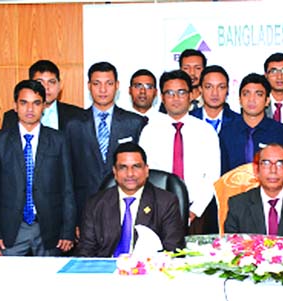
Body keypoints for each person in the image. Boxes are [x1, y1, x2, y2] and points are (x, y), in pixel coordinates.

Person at [0, 80, 75, 257]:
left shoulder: (58, 140)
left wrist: (68, 230)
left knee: (50, 281)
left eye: (36, 103)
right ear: (15, 106)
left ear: (43, 107)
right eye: (24, 103)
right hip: (11, 229)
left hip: (50, 228)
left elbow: (67, 189)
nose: (30, 109)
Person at [139, 70, 220, 227]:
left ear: (190, 95)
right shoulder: (149, 131)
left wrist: (194, 211)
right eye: (170, 93)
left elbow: (212, 176)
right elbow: (144, 173)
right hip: (158, 212)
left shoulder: (206, 131)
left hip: (197, 215)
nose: (175, 98)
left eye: (181, 92)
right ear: (162, 97)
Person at [76, 143, 186, 257]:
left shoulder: (166, 202)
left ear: (146, 170)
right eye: (123, 167)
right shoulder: (95, 204)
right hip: (106, 269)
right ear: (115, 172)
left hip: (149, 270)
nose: (130, 174)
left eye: (136, 166)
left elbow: (173, 251)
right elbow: (86, 251)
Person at [66, 62, 146, 216]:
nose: (103, 90)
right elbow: (68, 176)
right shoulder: (73, 125)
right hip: (85, 209)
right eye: (97, 84)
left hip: (127, 207)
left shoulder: (135, 123)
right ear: (89, 86)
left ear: (117, 85)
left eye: (108, 83)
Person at [224, 144, 283, 243]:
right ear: (256, 169)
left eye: (280, 164)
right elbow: (232, 248)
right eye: (266, 163)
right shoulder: (237, 205)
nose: (273, 170)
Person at [219, 73, 283, 174]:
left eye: (258, 94)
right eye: (246, 94)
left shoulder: (282, 133)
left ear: (267, 101)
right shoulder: (227, 132)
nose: (252, 99)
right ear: (239, 99)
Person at [1, 59, 84, 131]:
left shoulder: (77, 115)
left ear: (60, 85)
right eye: (40, 82)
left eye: (51, 82)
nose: (46, 87)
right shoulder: (11, 117)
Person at [190, 65, 242, 134]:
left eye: (221, 87)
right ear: (200, 89)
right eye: (209, 87)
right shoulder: (189, 119)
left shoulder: (240, 122)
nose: (215, 93)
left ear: (227, 89)